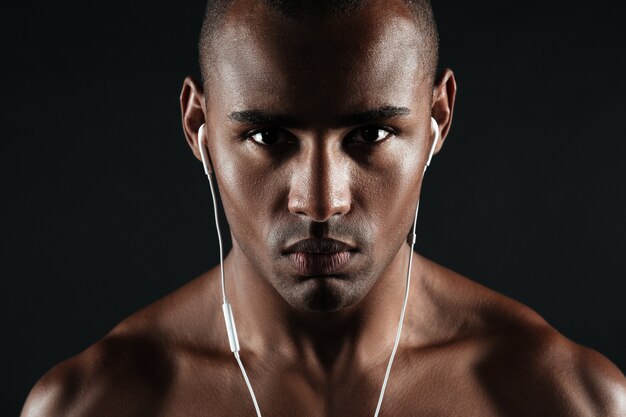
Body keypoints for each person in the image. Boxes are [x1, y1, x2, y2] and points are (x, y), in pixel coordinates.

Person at [21, 0, 626, 416]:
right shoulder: (96, 403)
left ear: (437, 118)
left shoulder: (564, 400)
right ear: (198, 126)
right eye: (267, 137)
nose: (319, 201)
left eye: (370, 134)